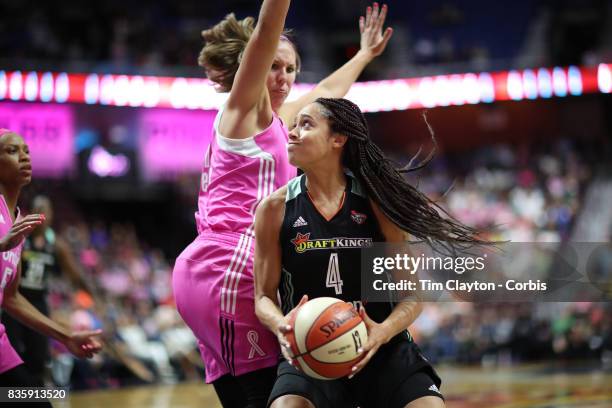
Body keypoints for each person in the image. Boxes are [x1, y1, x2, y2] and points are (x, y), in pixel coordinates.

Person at [172, 1, 392, 407]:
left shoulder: (274, 121)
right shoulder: (243, 113)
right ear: (251, 66)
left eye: (291, 69)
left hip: (218, 269)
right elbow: (267, 29)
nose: (284, 78)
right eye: (274, 66)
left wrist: (363, 54)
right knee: (278, 392)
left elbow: (326, 94)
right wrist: (274, 22)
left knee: (257, 394)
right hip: (229, 267)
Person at [254, 98, 490, 408]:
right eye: (294, 125)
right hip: (311, 350)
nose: (293, 133)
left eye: (306, 124)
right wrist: (282, 325)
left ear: (338, 139)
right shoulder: (273, 209)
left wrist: (382, 332)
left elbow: (412, 296)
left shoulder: (376, 202)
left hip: (383, 349)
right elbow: (263, 297)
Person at [0, 129, 102, 401]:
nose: (23, 156)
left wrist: (66, 335)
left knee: (35, 397)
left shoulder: (19, 223)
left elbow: (10, 297)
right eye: (12, 151)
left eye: (26, 151)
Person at [2, 195, 94, 385]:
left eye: (46, 210)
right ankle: (14, 398)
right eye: (38, 209)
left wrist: (91, 294)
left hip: (39, 303)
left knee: (38, 358)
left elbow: (74, 274)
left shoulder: (56, 245)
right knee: (15, 358)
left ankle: (31, 395)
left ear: (52, 215)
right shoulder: (21, 238)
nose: (42, 214)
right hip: (17, 300)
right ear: (32, 212)